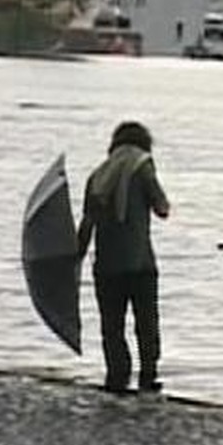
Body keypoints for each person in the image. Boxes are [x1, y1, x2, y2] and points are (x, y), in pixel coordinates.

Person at [76, 121, 170, 395]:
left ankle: (117, 376)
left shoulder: (97, 177)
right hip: (141, 263)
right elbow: (161, 208)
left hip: (106, 264)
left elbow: (86, 224)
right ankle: (148, 376)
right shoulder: (142, 165)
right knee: (146, 322)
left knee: (112, 325)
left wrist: (76, 257)